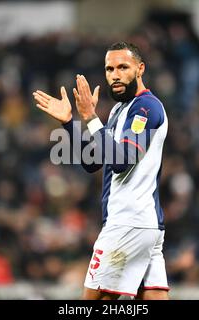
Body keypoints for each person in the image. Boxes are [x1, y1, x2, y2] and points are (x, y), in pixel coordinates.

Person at [33, 41, 169, 300]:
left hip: (127, 223)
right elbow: (93, 161)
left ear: (140, 69)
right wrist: (69, 122)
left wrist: (91, 117)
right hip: (143, 226)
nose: (115, 75)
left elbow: (121, 161)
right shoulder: (120, 110)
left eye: (123, 67)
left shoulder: (146, 108)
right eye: (109, 69)